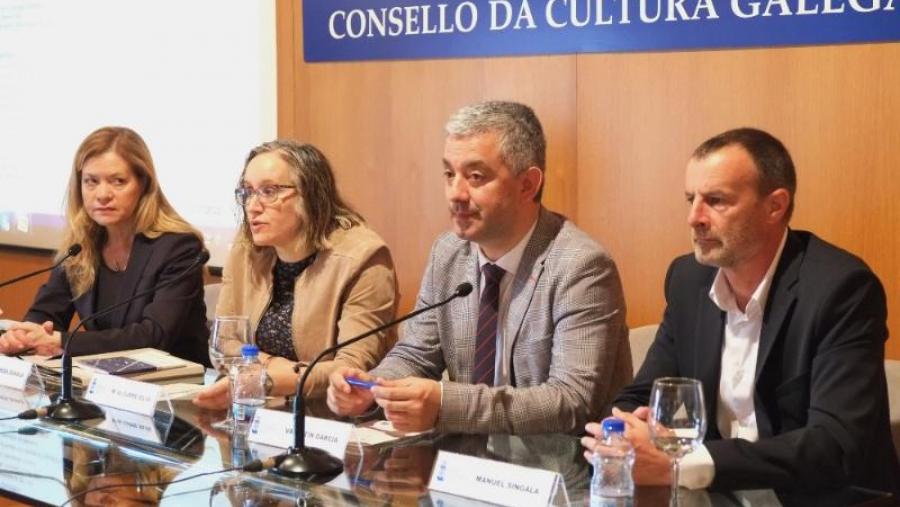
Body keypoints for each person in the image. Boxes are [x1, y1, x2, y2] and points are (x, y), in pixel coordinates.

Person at [582, 128, 900, 493]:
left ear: (775, 206)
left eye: (716, 201)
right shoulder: (689, 280)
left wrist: (683, 464)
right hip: (712, 495)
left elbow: (835, 445)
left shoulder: (840, 289)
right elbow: (640, 395)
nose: (694, 218)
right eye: (691, 199)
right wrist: (628, 431)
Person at [327, 101, 631, 434]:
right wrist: (373, 388)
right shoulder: (449, 252)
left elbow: (571, 402)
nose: (455, 193)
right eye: (448, 174)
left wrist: (445, 404)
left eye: (475, 177)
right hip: (465, 467)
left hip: (560, 473)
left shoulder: (581, 266)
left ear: (527, 184)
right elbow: (417, 354)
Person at [192, 140, 398, 407]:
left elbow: (350, 368)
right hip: (262, 409)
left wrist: (266, 378)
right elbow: (225, 342)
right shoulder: (247, 249)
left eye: (268, 191)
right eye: (247, 192)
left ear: (311, 195)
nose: (252, 206)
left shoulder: (363, 258)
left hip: (333, 421)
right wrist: (271, 368)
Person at [0, 127, 208, 363]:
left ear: (143, 184)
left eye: (118, 181)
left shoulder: (178, 247)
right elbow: (46, 312)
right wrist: (22, 336)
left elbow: (154, 335)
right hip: (106, 380)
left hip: (179, 387)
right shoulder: (81, 245)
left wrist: (60, 341)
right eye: (91, 181)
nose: (102, 194)